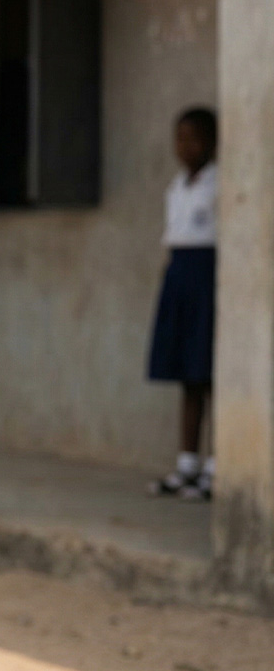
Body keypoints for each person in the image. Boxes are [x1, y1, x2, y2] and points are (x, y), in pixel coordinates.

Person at [147, 107, 218, 501]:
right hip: (180, 277)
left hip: (208, 277)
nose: (184, 147)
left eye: (193, 139)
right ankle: (187, 464)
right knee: (188, 375)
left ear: (211, 143)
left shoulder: (219, 183)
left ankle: (217, 468)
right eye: (179, 138)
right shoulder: (177, 187)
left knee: (212, 375)